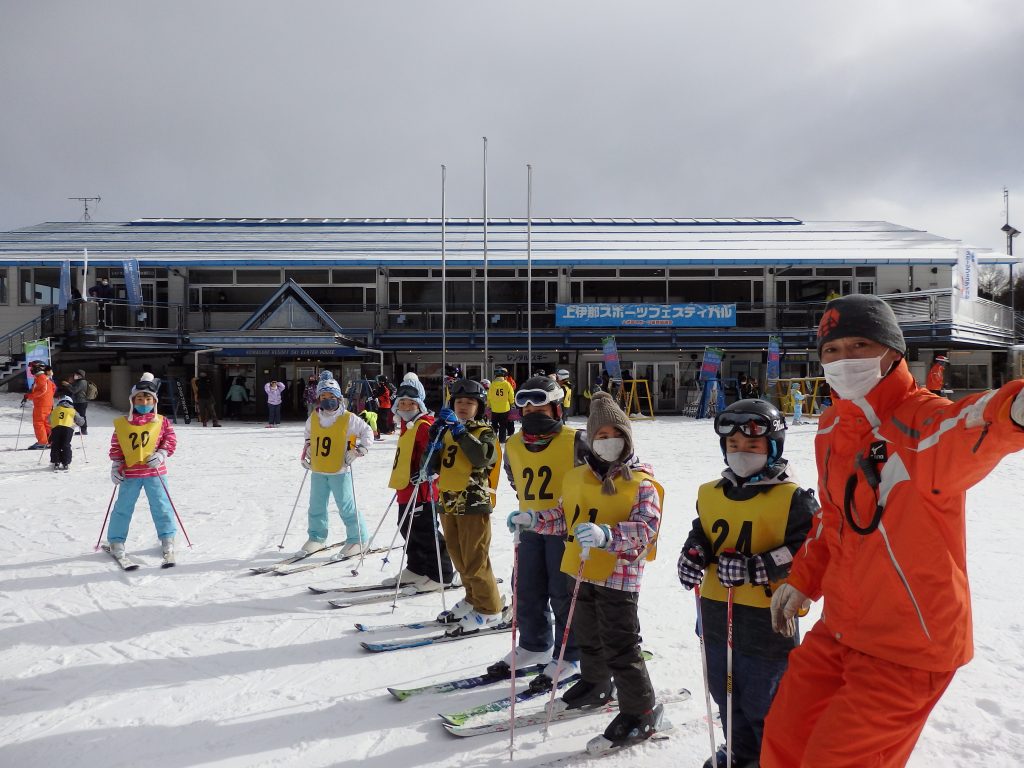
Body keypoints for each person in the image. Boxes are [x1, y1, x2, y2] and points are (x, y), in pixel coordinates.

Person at [761, 294, 1024, 767]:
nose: (845, 360)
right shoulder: (829, 428)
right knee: (783, 741)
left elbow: (968, 425)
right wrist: (803, 580)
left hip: (908, 647)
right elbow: (832, 518)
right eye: (832, 351)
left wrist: (1013, 410)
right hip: (841, 628)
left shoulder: (921, 421)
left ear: (893, 352)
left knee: (834, 759)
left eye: (861, 344)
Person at [508, 391, 664, 746]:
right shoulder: (578, 478)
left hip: (618, 577)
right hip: (578, 570)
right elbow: (564, 517)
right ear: (591, 441)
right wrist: (533, 519)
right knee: (587, 634)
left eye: (616, 435)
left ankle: (640, 711)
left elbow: (646, 529)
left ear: (627, 438)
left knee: (621, 644)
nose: (609, 443)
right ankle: (596, 682)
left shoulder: (641, 482)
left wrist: (608, 535)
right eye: (601, 437)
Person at [677, 399, 817, 768]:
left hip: (767, 621)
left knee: (764, 701)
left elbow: (809, 550)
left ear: (772, 448)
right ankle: (739, 751)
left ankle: (770, 758)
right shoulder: (711, 492)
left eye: (752, 445)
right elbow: (702, 533)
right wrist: (693, 554)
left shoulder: (793, 497)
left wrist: (757, 567)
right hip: (714, 612)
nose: (741, 452)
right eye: (733, 445)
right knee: (725, 694)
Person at [489, 376, 587, 690]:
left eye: (540, 402)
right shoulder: (514, 443)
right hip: (530, 526)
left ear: (557, 407)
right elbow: (515, 479)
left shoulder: (576, 439)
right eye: (525, 403)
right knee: (526, 588)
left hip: (566, 528)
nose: (532, 409)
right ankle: (534, 643)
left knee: (564, 593)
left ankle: (570, 654)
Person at [427, 378, 504, 631]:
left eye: (470, 402)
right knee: (460, 559)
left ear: (479, 407)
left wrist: (461, 433)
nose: (463, 406)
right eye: (459, 401)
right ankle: (473, 598)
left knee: (475, 559)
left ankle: (490, 608)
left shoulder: (485, 432)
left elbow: (482, 458)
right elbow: (432, 466)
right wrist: (434, 443)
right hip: (448, 502)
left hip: (473, 502)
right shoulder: (447, 430)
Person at [384, 382, 454, 590]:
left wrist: (430, 473)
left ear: (419, 405)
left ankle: (440, 573)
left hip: (422, 491)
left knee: (425, 531)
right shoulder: (407, 426)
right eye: (402, 403)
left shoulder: (424, 426)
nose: (405, 408)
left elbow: (436, 454)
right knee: (407, 528)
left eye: (410, 404)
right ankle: (417, 567)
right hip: (406, 488)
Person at [298, 371, 373, 559]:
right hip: (318, 468)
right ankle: (316, 537)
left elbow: (367, 432)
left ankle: (358, 538)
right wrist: (307, 450)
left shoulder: (348, 418)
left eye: (331, 396)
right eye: (323, 396)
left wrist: (359, 450)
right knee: (316, 506)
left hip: (339, 469)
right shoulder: (314, 417)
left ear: (339, 397)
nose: (327, 400)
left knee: (346, 506)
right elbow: (309, 435)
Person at [107, 373, 178, 562]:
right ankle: (116, 540)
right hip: (130, 473)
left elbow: (170, 440)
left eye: (148, 398)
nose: (144, 401)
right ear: (133, 400)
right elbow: (117, 445)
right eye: (140, 398)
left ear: (154, 401)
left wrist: (162, 454)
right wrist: (116, 465)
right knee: (123, 507)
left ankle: (167, 537)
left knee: (162, 506)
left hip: (155, 472)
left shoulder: (161, 421)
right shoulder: (124, 423)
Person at [22, 362, 55, 449]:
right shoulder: (46, 378)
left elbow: (42, 390)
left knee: (39, 423)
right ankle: (51, 441)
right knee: (47, 423)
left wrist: (29, 396)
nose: (31, 370)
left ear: (38, 368)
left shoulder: (41, 378)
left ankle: (42, 442)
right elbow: (53, 388)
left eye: (32, 368)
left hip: (41, 405)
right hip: (47, 404)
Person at [48, 394, 85, 471]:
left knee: (56, 444)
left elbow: (49, 420)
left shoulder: (55, 410)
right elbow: (81, 422)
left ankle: (56, 461)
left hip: (56, 428)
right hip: (68, 429)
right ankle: (66, 462)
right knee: (66, 445)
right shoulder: (72, 410)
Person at [487, 368, 515, 443]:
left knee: (494, 425)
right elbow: (511, 395)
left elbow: (489, 396)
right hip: (505, 408)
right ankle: (502, 441)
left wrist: (488, 406)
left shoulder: (492, 384)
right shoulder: (507, 384)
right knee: (503, 425)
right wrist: (512, 403)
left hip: (494, 409)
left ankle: (493, 440)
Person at [67, 369, 90, 435]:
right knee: (79, 416)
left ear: (80, 375)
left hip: (81, 402)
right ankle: (82, 430)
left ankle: (83, 430)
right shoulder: (79, 382)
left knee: (81, 416)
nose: (75, 376)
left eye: (76, 375)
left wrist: (68, 385)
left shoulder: (82, 382)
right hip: (79, 401)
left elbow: (74, 390)